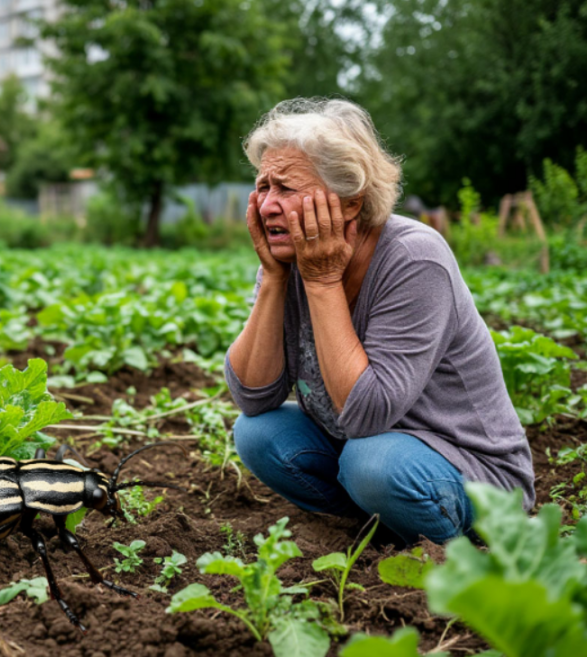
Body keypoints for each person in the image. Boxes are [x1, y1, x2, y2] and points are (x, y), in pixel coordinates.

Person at [226, 98, 534, 545]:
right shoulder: (289, 257)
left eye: (287, 189)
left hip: (473, 472)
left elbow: (367, 415)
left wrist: (322, 281)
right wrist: (274, 281)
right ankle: (384, 522)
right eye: (263, 186)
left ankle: (456, 541)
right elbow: (253, 396)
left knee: (370, 464)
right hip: (376, 452)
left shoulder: (414, 258)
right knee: (258, 433)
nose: (267, 205)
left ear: (350, 204)